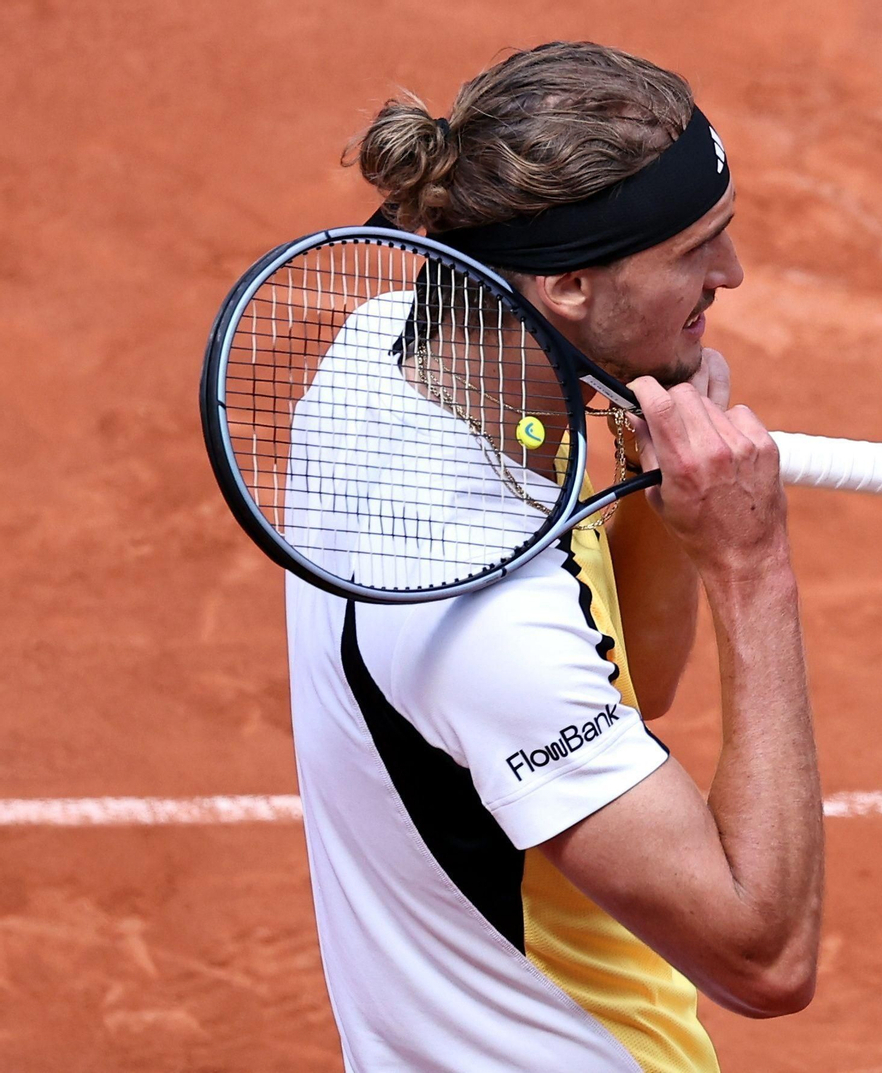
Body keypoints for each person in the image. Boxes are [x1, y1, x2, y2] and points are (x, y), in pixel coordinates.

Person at [284, 41, 823, 1072]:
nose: (732, 275)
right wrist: (750, 567)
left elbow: (633, 685)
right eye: (694, 250)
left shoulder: (393, 357)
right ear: (569, 282)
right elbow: (764, 954)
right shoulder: (482, 620)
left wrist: (647, 478)